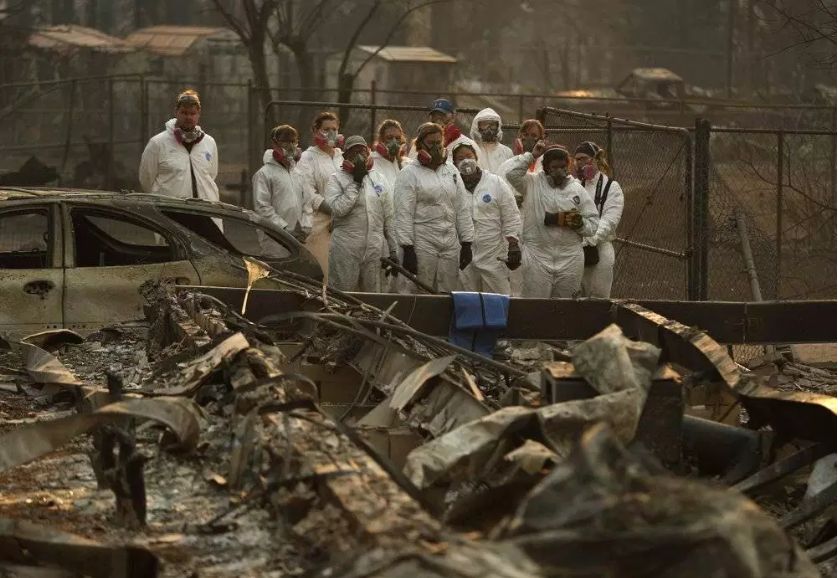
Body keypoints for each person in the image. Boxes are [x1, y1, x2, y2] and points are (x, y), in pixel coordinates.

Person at [504, 142, 599, 298]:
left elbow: (593, 224)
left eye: (562, 167)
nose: (559, 172)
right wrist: (532, 156)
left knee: (565, 310)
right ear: (546, 167)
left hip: (570, 258)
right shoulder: (531, 183)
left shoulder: (577, 189)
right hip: (537, 256)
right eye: (554, 168)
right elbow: (511, 174)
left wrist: (578, 223)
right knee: (535, 306)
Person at [394, 122, 475, 293]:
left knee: (448, 290)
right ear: (420, 145)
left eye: (439, 143)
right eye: (431, 143)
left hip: (450, 241)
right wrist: (407, 248)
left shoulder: (451, 170)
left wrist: (467, 242)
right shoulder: (409, 174)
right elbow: (404, 213)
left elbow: (461, 207)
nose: (436, 147)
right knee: (421, 290)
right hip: (423, 241)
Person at [325, 136, 397, 292]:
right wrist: (356, 183)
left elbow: (389, 217)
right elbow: (338, 209)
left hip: (374, 249)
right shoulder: (336, 179)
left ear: (368, 153)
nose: (359, 156)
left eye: (362, 151)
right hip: (346, 248)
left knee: (373, 297)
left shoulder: (379, 179)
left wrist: (393, 250)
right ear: (345, 156)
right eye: (354, 152)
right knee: (342, 295)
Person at [452, 142, 521, 295]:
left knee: (498, 298)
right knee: (468, 299)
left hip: (493, 253)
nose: (466, 161)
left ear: (476, 158)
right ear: (454, 163)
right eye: (460, 158)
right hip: (463, 254)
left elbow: (511, 214)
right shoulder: (452, 185)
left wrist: (513, 243)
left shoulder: (495, 182)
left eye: (469, 156)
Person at [139, 89, 219, 201]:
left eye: (192, 113)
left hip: (206, 212)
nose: (189, 117)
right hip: (169, 213)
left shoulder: (209, 143)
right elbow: (146, 181)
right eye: (184, 113)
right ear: (176, 112)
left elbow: (211, 175)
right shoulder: (157, 143)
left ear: (198, 114)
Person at [574, 141, 624, 298]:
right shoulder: (575, 185)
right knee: (575, 295)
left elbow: (609, 221)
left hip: (600, 248)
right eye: (577, 159)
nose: (580, 163)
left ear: (595, 159)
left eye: (584, 158)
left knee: (598, 297)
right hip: (576, 247)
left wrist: (589, 239)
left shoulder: (611, 187)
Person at [296, 112, 341, 280]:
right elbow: (309, 193)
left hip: (343, 223)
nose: (330, 133)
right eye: (326, 129)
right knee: (323, 273)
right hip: (320, 223)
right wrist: (333, 211)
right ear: (315, 131)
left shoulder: (341, 156)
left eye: (334, 129)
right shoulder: (308, 157)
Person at [252, 124, 307, 250]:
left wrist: (305, 226)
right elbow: (262, 208)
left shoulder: (297, 173)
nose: (291, 146)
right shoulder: (264, 174)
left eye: (293, 141)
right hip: (274, 239)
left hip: (296, 239)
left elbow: (305, 202)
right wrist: (284, 229)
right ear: (274, 144)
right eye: (285, 142)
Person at [408, 98, 477, 163]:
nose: (438, 119)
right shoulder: (420, 142)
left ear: (453, 117)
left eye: (442, 115)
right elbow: (411, 164)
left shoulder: (466, 143)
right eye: (434, 115)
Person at [469, 108, 513, 174]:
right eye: (484, 125)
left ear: (497, 127)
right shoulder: (472, 149)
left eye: (492, 125)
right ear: (478, 127)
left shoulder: (506, 152)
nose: (488, 129)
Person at [370, 119, 408, 188]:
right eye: (389, 138)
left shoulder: (406, 163)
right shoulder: (372, 162)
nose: (394, 141)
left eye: (398, 138)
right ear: (381, 139)